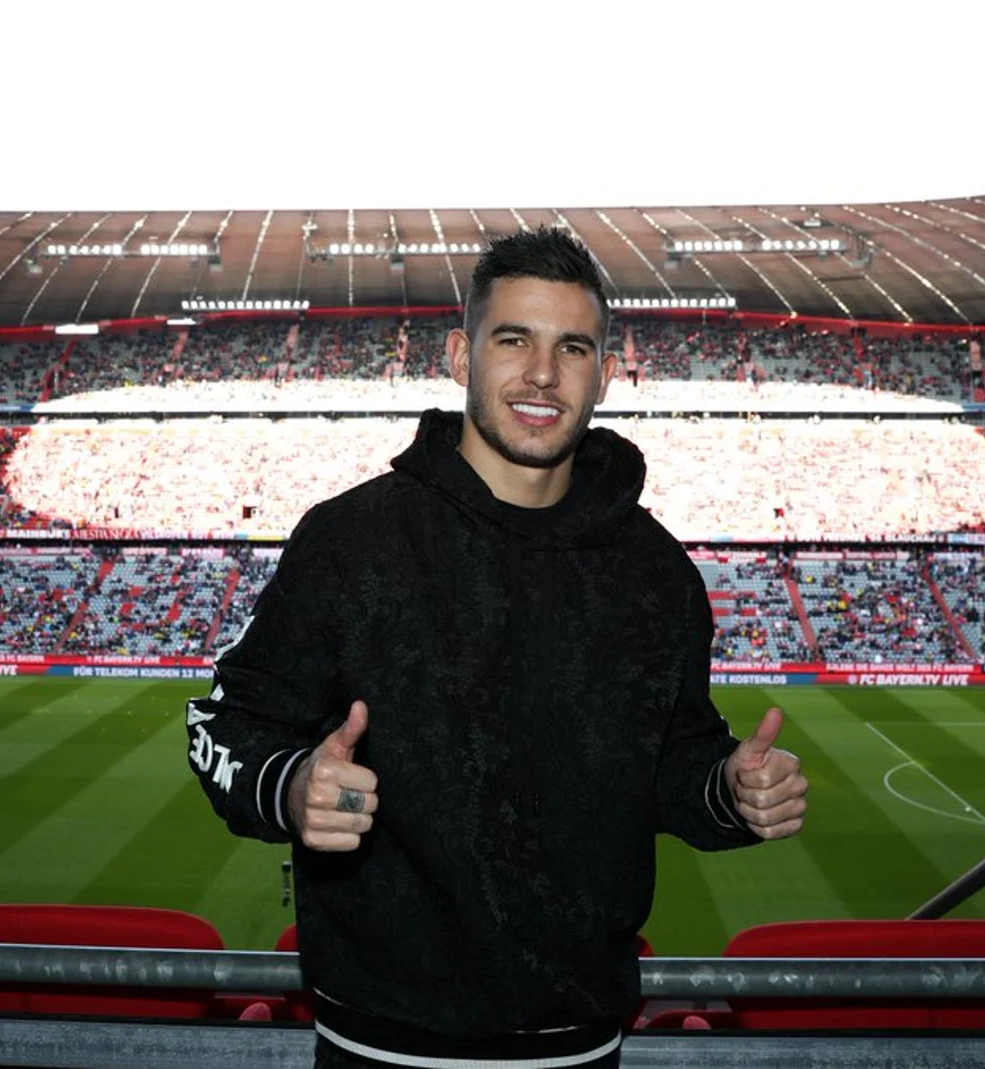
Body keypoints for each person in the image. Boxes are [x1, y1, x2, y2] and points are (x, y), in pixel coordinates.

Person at [187, 229, 807, 1069]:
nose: (543, 374)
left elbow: (670, 761)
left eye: (572, 347)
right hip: (379, 1042)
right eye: (513, 338)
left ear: (607, 372)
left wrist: (729, 789)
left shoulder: (657, 573)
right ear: (459, 354)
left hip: (579, 1048)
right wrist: (290, 784)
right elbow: (224, 727)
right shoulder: (352, 542)